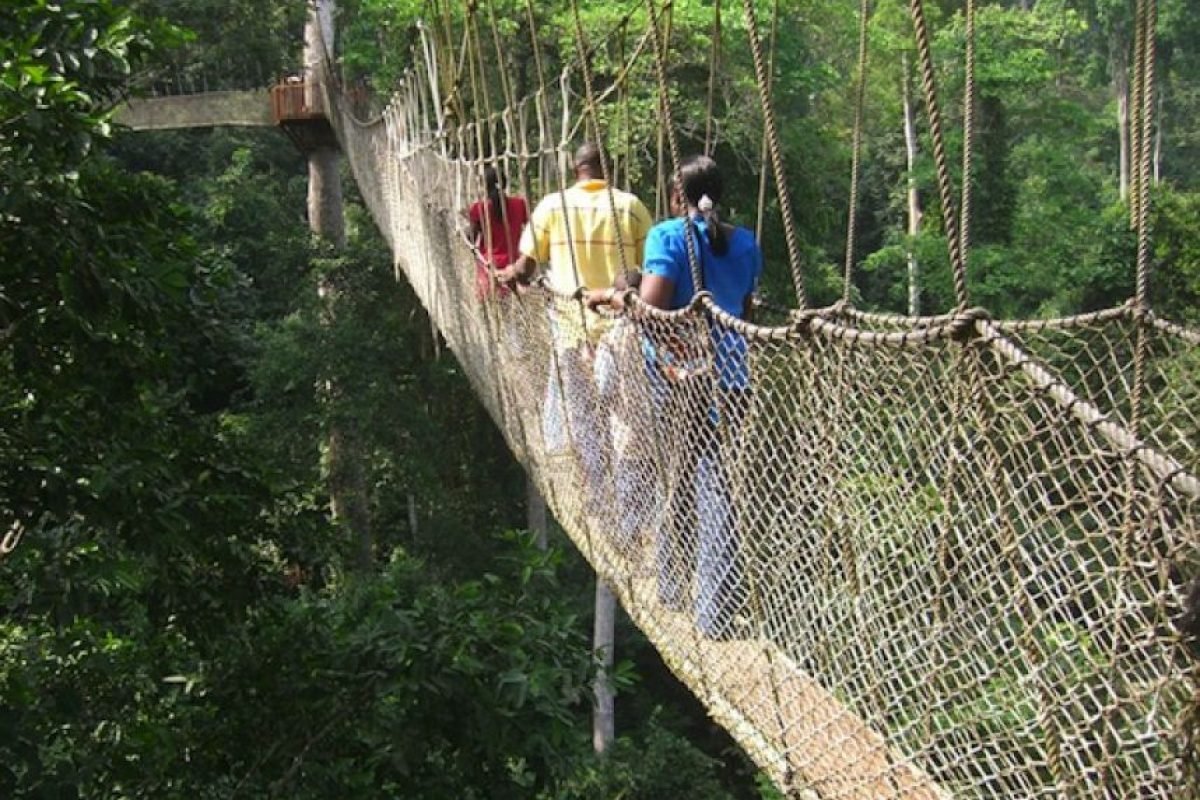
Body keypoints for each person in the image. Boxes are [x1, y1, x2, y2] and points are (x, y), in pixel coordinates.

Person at [637, 154, 762, 640]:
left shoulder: (668, 236)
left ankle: (672, 588)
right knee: (719, 486)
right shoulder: (746, 242)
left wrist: (676, 349)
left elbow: (650, 312)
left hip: (681, 381)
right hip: (733, 379)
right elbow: (745, 310)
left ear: (675, 196)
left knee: (678, 481)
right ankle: (716, 611)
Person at [497, 143, 653, 531]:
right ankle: (630, 517)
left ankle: (600, 505)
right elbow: (647, 271)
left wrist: (509, 275)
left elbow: (526, 264)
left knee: (584, 421)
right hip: (620, 333)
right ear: (608, 168)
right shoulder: (631, 206)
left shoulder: (552, 206)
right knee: (625, 423)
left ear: (575, 168)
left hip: (570, 331)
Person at [468, 166, 528, 299]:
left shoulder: (478, 208)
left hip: (489, 268)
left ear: (484, 186)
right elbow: (531, 230)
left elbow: (471, 238)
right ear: (505, 183)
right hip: (514, 267)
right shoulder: (520, 204)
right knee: (513, 312)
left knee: (488, 311)